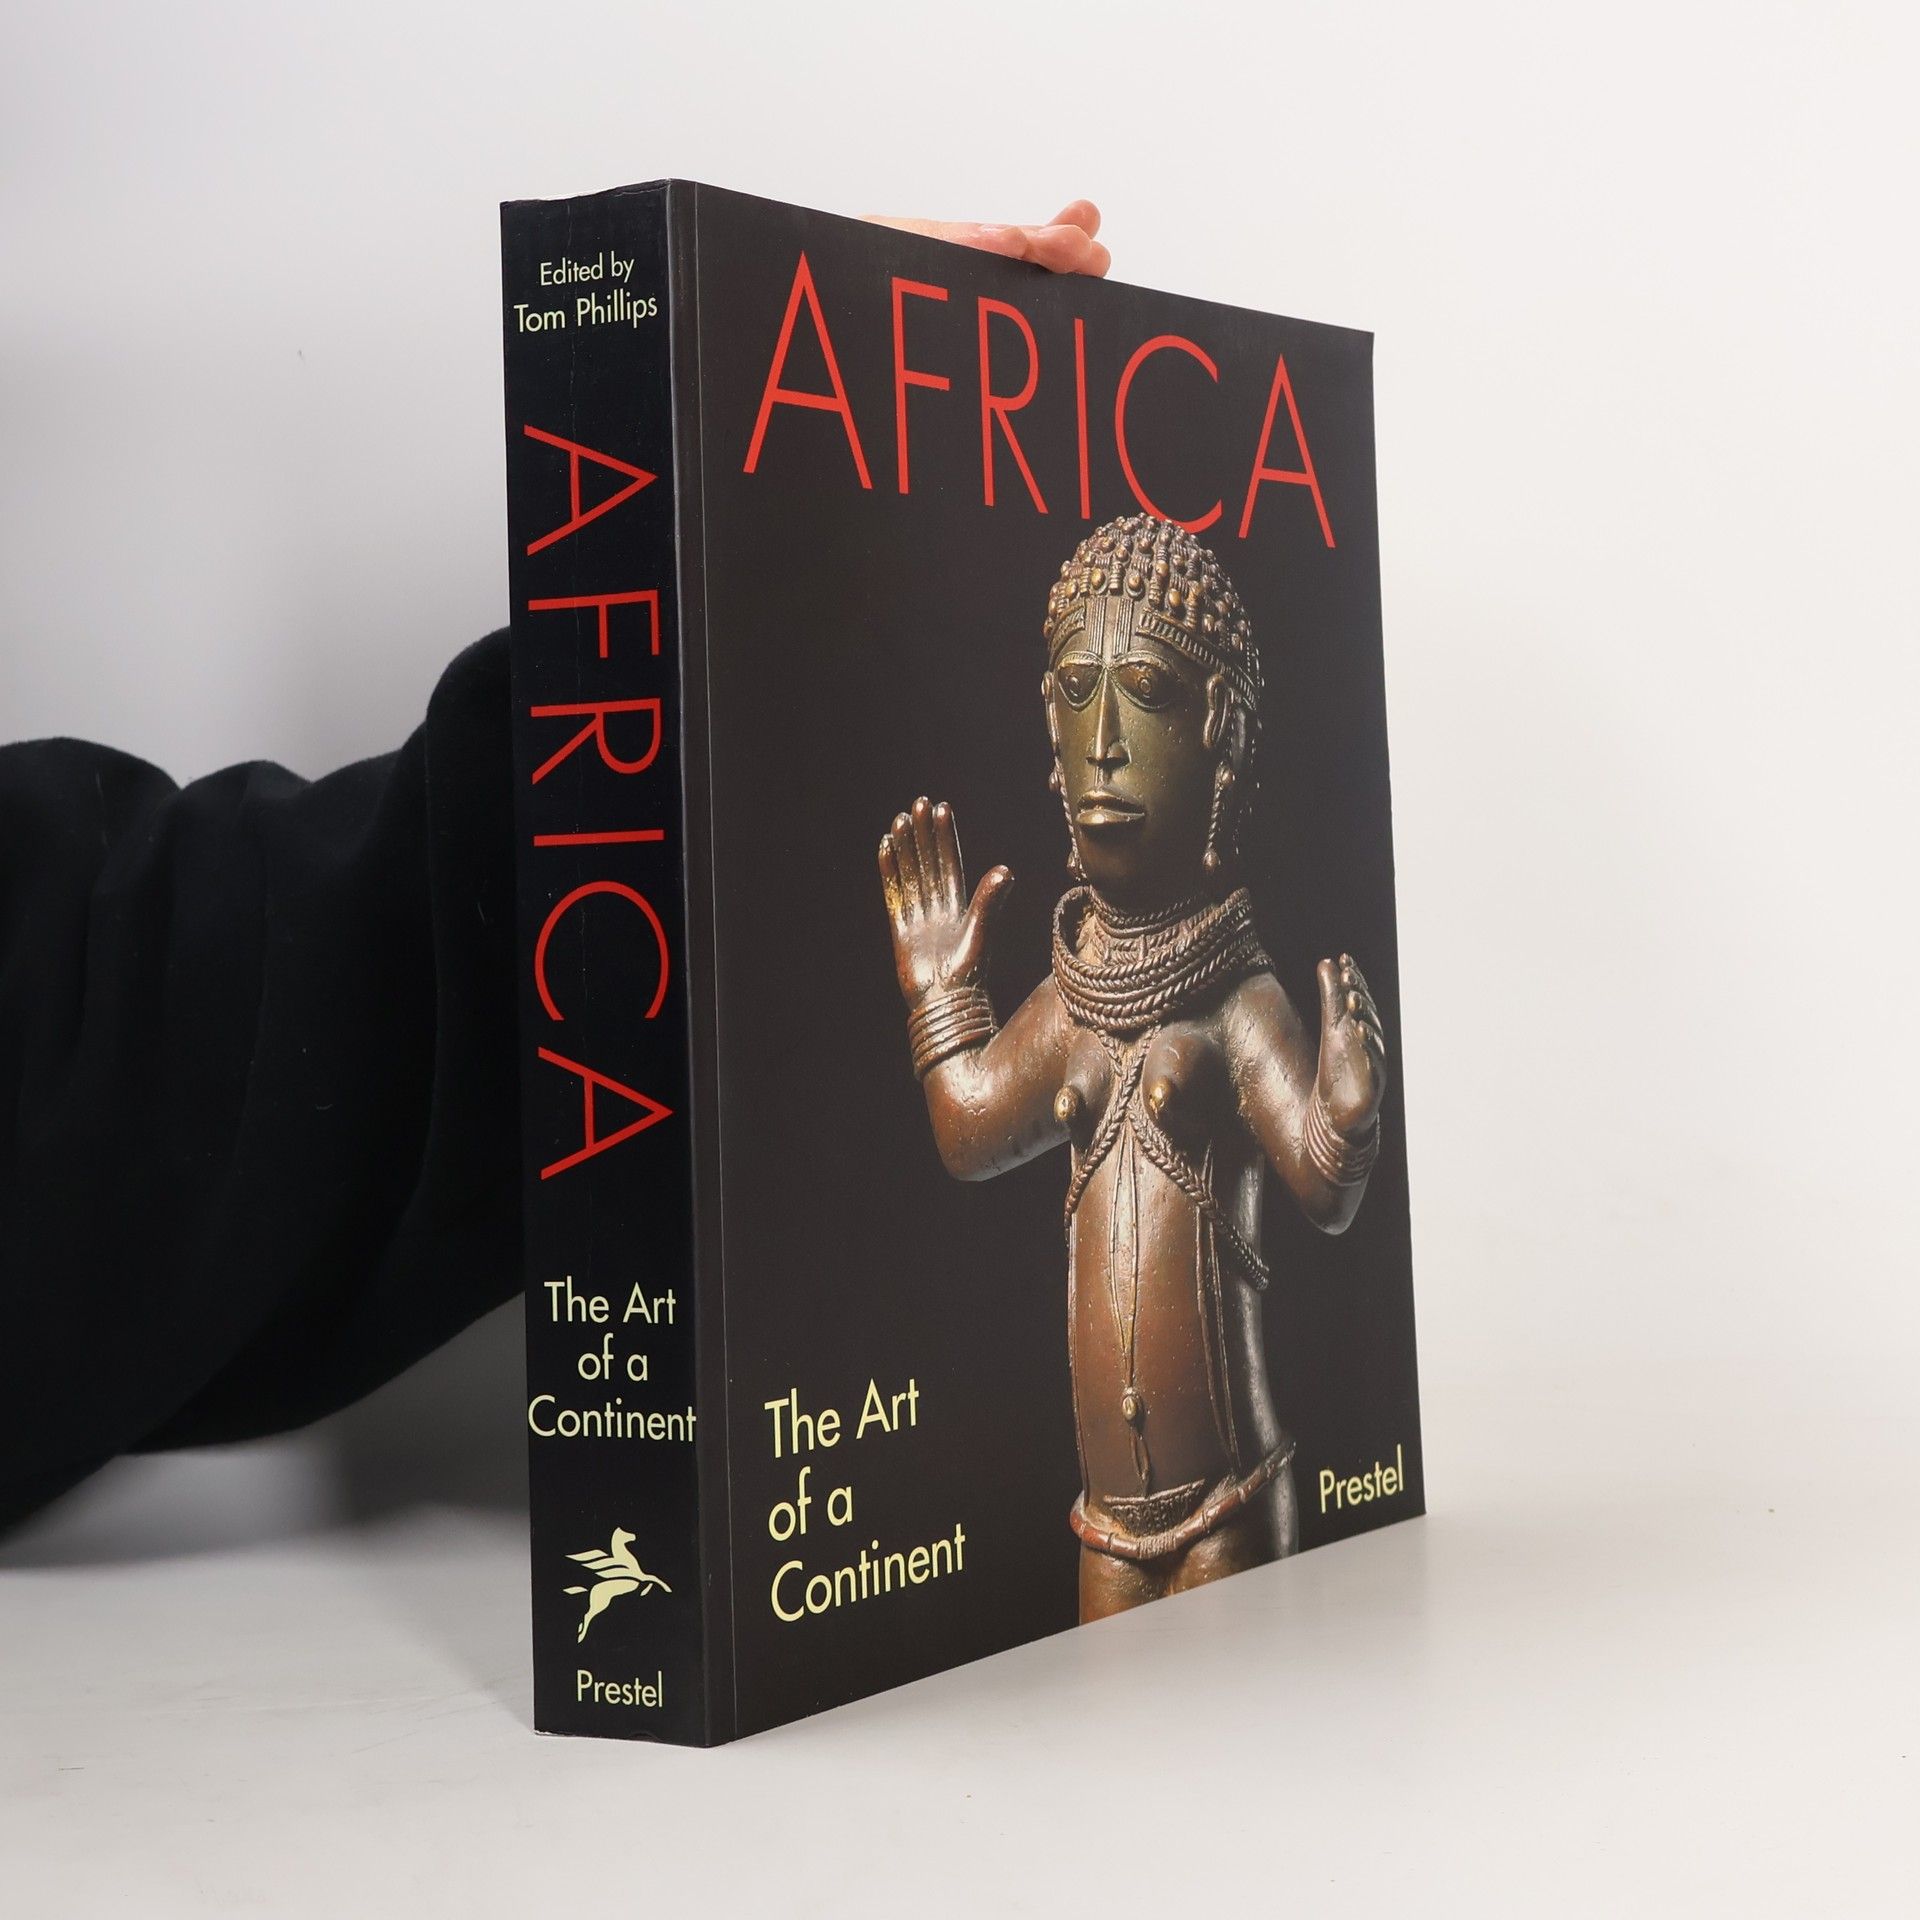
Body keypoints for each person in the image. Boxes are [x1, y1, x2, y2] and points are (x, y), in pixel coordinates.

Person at [0, 202, 1112, 1535]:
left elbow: (119, 1062)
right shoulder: (1086, 987)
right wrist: (937, 991)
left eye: (1145, 693)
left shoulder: (1225, 974)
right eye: (1077, 697)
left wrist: (747, 474)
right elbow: (979, 1127)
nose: (1100, 746)